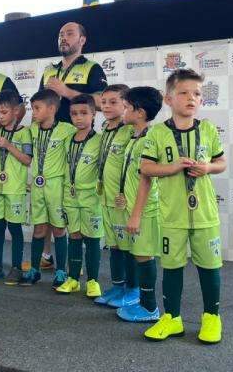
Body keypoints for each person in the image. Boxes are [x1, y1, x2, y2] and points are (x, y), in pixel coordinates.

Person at [140, 69, 226, 344]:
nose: (192, 98)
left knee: (210, 266)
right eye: (184, 93)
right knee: (172, 266)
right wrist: (173, 166)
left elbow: (221, 163)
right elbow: (146, 167)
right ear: (169, 98)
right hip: (172, 213)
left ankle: (212, 318)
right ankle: (172, 318)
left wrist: (208, 167)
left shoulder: (209, 129)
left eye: (197, 94)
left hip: (205, 215)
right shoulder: (157, 133)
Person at [37, 22, 106, 266]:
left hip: (79, 142)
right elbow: (40, 104)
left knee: (78, 202)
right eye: (60, 35)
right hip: (50, 142)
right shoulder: (49, 70)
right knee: (48, 199)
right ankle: (46, 256)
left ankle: (83, 264)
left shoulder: (92, 68)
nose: (63, 38)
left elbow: (101, 101)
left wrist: (66, 91)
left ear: (82, 40)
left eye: (69, 34)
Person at [114, 87, 163, 323]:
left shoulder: (150, 139)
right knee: (138, 254)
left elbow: (147, 179)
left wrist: (136, 213)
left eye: (126, 107)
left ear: (140, 112)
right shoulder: (135, 137)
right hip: (132, 207)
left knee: (144, 256)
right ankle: (142, 302)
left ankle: (149, 307)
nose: (122, 111)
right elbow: (132, 174)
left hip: (144, 210)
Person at [19, 89, 76, 288]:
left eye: (37, 108)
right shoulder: (30, 130)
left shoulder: (68, 130)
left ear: (51, 108)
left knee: (59, 229)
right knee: (39, 228)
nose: (33, 112)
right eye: (32, 108)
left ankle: (61, 271)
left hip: (56, 185)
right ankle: (34, 269)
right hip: (37, 185)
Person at [93, 84, 139, 308]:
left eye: (113, 102)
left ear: (125, 105)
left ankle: (134, 288)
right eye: (104, 102)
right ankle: (118, 285)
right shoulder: (105, 129)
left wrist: (128, 195)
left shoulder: (130, 130)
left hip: (123, 201)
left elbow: (133, 167)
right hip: (106, 198)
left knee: (129, 247)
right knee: (114, 246)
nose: (107, 106)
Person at [54, 94, 103, 298]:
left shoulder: (100, 141)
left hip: (91, 197)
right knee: (74, 235)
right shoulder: (67, 140)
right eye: (74, 114)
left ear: (93, 114)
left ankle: (93, 281)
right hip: (69, 196)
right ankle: (73, 278)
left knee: (92, 239)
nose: (79, 118)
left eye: (84, 113)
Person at [0, 90, 32, 284]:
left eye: (4, 112)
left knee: (15, 228)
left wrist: (9, 145)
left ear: (17, 111)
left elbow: (27, 160)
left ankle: (17, 267)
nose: (0, 116)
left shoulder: (24, 132)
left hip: (14, 188)